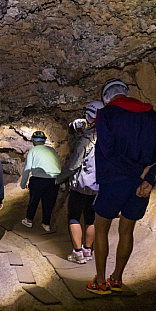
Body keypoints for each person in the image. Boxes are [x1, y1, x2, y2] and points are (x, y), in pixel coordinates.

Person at [87, 79, 156, 294]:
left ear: (106, 97)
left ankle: (100, 281)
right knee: (127, 231)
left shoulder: (106, 114)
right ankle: (117, 279)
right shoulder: (150, 114)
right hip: (141, 185)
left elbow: (108, 150)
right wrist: (149, 178)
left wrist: (135, 172)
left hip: (114, 181)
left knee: (101, 230)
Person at [57, 101, 104, 264]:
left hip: (81, 185)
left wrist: (60, 177)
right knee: (90, 218)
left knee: (74, 217)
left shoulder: (87, 138)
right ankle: (88, 250)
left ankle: (78, 253)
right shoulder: (109, 136)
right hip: (97, 186)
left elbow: (74, 164)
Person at [20, 131, 61, 232]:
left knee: (33, 200)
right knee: (49, 203)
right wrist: (61, 181)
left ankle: (29, 220)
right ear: (44, 140)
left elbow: (27, 168)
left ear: (33, 141)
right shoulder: (52, 150)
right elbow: (58, 166)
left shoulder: (33, 150)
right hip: (52, 180)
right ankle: (46, 224)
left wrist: (23, 183)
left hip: (38, 179)